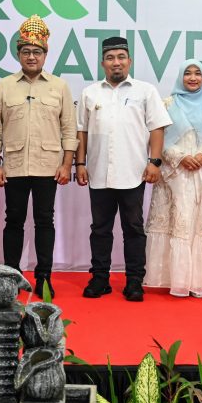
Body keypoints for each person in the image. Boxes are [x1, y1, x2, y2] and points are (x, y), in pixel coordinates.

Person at [0, 15, 77, 299]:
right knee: (13, 220)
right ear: (18, 54)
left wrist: (66, 164)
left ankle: (44, 277)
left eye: (37, 52)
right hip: (12, 166)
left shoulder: (59, 86)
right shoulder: (5, 85)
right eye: (26, 51)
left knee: (44, 221)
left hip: (48, 167)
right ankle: (12, 275)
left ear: (45, 54)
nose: (31, 56)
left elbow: (69, 127)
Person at [75, 36, 172, 302]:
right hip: (98, 172)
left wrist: (154, 162)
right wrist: (80, 163)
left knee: (133, 228)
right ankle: (100, 279)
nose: (116, 62)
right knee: (100, 229)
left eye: (121, 57)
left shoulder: (145, 91)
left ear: (129, 61)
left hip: (133, 172)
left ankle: (134, 281)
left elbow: (157, 128)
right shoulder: (90, 93)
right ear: (102, 62)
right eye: (110, 58)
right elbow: (81, 132)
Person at [144, 59, 202, 298]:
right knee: (180, 224)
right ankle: (178, 280)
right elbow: (158, 138)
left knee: (200, 226)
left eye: (197, 73)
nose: (193, 78)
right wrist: (180, 156)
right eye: (188, 74)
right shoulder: (167, 104)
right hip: (177, 175)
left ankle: (200, 282)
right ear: (180, 77)